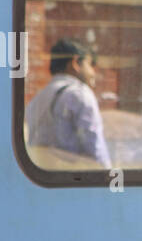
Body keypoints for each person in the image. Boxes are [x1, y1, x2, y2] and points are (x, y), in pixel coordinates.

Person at [25, 38, 112, 167]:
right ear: (76, 63)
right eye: (90, 65)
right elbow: (95, 149)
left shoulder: (39, 98)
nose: (93, 73)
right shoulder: (79, 94)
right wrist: (109, 177)